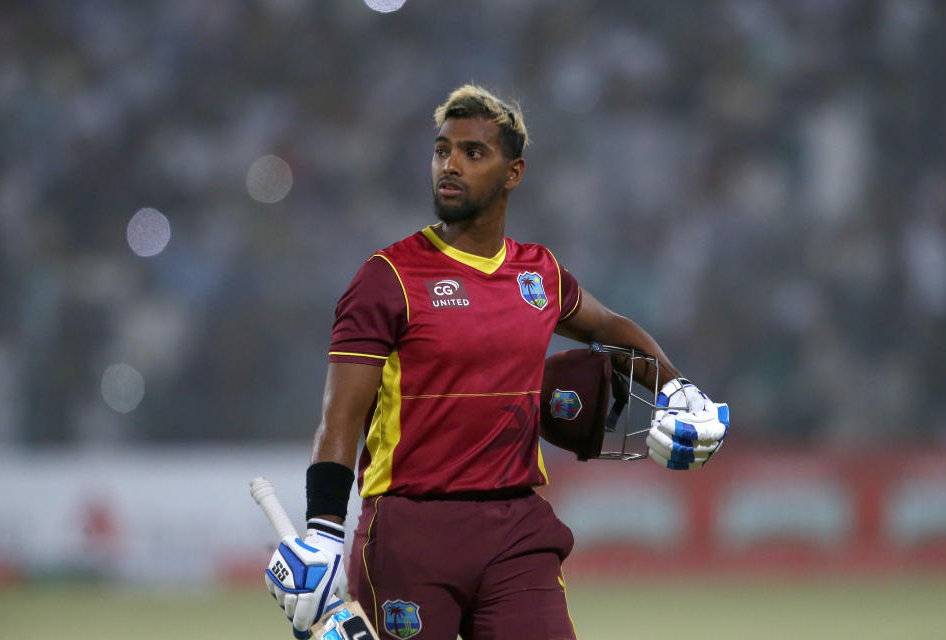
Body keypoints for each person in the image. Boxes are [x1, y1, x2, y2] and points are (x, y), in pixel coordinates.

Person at [263, 84, 729, 640]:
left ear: (514, 173)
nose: (450, 165)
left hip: (516, 530)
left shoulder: (539, 273)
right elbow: (339, 420)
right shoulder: (386, 279)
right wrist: (323, 531)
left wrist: (680, 390)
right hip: (411, 530)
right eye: (441, 151)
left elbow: (608, 328)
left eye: (472, 153)